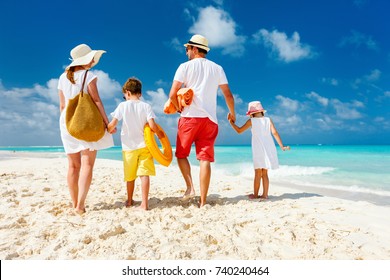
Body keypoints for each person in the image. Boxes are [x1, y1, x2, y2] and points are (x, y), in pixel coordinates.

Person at [168, 34, 236, 207]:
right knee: (204, 159)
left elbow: (172, 94)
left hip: (189, 118)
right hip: (210, 120)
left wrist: (178, 109)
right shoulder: (217, 68)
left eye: (187, 49)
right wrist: (232, 113)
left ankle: (190, 187)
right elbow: (228, 94)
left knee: (181, 154)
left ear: (195, 49)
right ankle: (203, 202)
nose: (186, 52)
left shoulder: (184, 67)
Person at [58, 43, 114, 215]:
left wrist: (68, 124)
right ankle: (80, 206)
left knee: (73, 166)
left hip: (67, 124)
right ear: (87, 59)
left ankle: (74, 202)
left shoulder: (62, 77)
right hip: (85, 124)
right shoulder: (89, 76)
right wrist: (107, 122)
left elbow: (62, 106)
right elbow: (96, 101)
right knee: (87, 164)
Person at [108, 77, 164, 211]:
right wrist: (160, 135)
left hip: (128, 148)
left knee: (130, 176)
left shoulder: (122, 106)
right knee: (144, 174)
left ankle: (129, 200)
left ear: (127, 93)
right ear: (140, 93)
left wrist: (108, 129)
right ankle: (144, 204)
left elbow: (113, 124)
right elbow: (152, 125)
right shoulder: (146, 106)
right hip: (144, 146)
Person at [228, 101, 290, 200]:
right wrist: (282, 146)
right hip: (268, 148)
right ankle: (265, 195)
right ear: (261, 111)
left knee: (257, 172)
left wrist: (231, 123)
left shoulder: (251, 121)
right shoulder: (268, 120)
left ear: (251, 113)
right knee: (265, 173)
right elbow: (275, 133)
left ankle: (256, 195)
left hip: (258, 149)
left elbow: (239, 131)